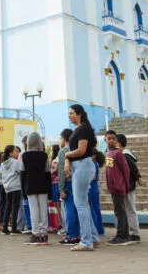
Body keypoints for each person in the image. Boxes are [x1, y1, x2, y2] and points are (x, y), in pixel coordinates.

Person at [64, 104, 98, 252]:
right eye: (69, 113)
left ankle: (86, 241)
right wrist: (67, 160)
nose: (69, 115)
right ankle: (93, 237)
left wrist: (66, 155)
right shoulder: (78, 130)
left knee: (81, 205)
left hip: (83, 166)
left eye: (72, 113)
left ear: (79, 114)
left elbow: (81, 150)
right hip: (79, 166)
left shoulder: (84, 129)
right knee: (83, 204)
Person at [20, 132, 51, 245]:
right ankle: (44, 234)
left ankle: (35, 234)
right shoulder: (44, 155)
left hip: (30, 186)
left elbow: (22, 174)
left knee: (34, 210)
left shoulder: (24, 156)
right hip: (43, 187)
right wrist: (50, 191)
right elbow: (48, 173)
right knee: (43, 210)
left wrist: (23, 191)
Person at [104, 131, 131, 246]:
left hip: (119, 186)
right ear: (105, 140)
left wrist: (125, 184)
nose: (111, 140)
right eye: (108, 138)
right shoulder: (108, 153)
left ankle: (121, 236)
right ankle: (124, 235)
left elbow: (126, 170)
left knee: (119, 211)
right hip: (112, 187)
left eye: (113, 138)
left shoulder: (118, 153)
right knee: (119, 211)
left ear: (116, 141)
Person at [117, 133, 141, 243]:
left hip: (128, 186)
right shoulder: (125, 154)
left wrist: (138, 177)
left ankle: (135, 233)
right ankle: (131, 232)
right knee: (128, 209)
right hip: (126, 186)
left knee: (130, 209)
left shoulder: (125, 155)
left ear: (118, 143)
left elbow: (134, 169)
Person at [57, 129, 79, 246]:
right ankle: (78, 234)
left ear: (64, 138)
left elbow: (61, 172)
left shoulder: (63, 151)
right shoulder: (78, 150)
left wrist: (61, 188)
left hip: (68, 183)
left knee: (69, 209)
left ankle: (71, 235)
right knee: (78, 209)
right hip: (79, 181)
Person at [0, 144, 22, 235]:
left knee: (8, 207)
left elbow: (0, 176)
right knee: (15, 207)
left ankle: (5, 227)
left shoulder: (3, 163)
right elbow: (21, 171)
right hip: (16, 186)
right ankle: (14, 228)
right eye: (16, 151)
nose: (18, 153)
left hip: (7, 187)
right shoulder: (16, 162)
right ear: (11, 153)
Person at [88, 149, 105, 237]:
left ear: (94, 156)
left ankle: (95, 229)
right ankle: (100, 229)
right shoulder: (96, 164)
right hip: (95, 188)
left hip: (91, 187)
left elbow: (92, 176)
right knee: (96, 208)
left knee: (92, 209)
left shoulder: (93, 164)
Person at [49, 144, 61, 233]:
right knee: (57, 205)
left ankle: (61, 224)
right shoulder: (56, 158)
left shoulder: (56, 159)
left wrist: (49, 173)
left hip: (56, 183)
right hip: (55, 183)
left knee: (58, 205)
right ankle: (60, 224)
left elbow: (56, 169)